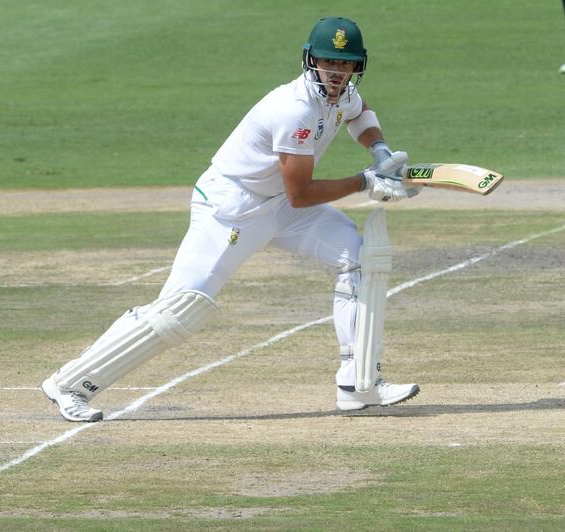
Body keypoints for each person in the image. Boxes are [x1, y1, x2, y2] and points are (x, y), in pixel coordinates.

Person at [42, 17, 421, 422]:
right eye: (328, 62)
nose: (335, 71)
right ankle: (70, 384)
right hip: (231, 208)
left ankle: (359, 381)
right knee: (181, 308)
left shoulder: (340, 95)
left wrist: (380, 150)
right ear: (310, 60)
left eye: (344, 65)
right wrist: (366, 180)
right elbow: (302, 193)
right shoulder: (294, 109)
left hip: (278, 205)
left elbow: (360, 114)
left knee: (357, 256)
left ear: (356, 68)